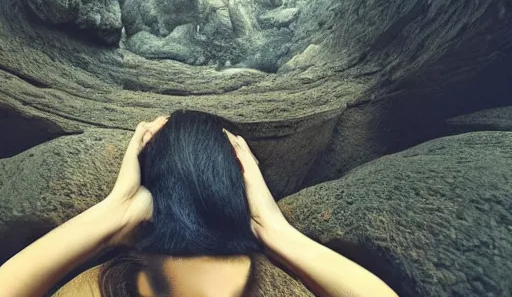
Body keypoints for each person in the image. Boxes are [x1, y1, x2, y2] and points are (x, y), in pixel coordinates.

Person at [0, 112, 398, 297]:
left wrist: (114, 211)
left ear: (152, 202)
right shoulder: (282, 289)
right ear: (236, 192)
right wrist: (275, 231)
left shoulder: (96, 288)